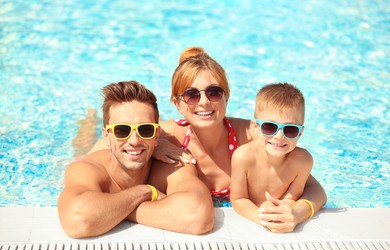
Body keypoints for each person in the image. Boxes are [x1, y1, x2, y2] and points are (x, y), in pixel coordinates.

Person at [153, 46, 327, 233]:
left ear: (226, 97)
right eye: (191, 95)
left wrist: (297, 213)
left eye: (214, 92)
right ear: (178, 104)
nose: (204, 102)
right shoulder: (168, 136)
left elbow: (314, 189)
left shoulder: (252, 135)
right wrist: (154, 145)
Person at [58, 81, 214, 238]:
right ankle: (89, 119)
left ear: (157, 134)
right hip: (88, 154)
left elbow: (198, 216)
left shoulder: (172, 164)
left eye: (145, 129)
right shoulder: (86, 168)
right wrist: (145, 192)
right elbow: (78, 221)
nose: (134, 140)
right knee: (82, 142)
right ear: (106, 136)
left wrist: (112, 211)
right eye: (121, 130)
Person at [230, 83, 314, 231]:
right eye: (269, 127)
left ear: (300, 133)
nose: (279, 136)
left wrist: (283, 212)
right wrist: (263, 217)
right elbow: (238, 199)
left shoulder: (303, 161)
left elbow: (291, 198)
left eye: (290, 129)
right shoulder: (243, 157)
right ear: (255, 128)